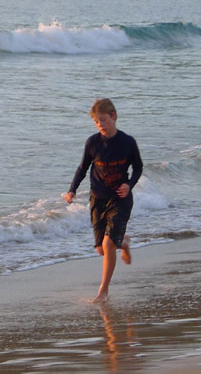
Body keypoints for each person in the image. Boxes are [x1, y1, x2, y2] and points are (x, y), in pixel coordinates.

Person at [65, 98, 143, 302]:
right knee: (101, 249)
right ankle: (123, 242)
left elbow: (138, 167)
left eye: (104, 120)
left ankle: (103, 291)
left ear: (114, 116)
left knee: (108, 245)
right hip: (98, 199)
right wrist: (72, 190)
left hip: (120, 199)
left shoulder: (127, 142)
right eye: (96, 122)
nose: (100, 124)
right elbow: (82, 168)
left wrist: (129, 185)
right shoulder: (93, 143)